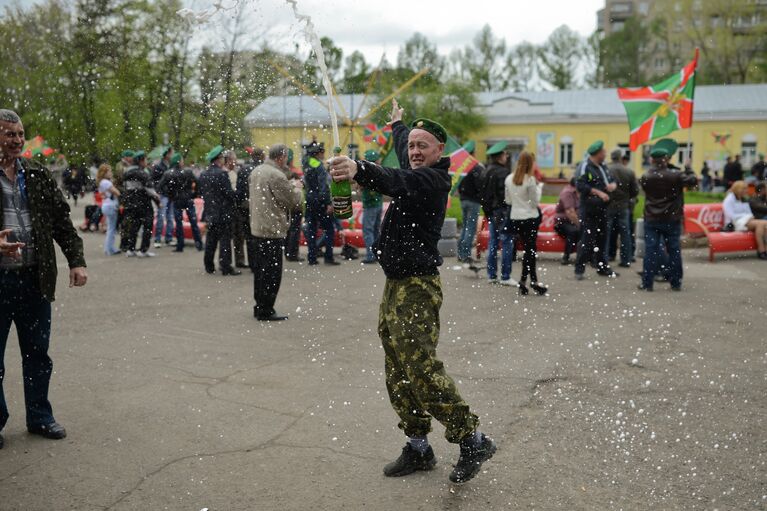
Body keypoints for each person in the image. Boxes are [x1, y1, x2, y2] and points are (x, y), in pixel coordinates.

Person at [328, 100, 495, 484]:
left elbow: (398, 179)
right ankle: (418, 446)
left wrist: (359, 169)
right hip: (395, 284)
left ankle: (474, 439)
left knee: (420, 367)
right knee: (397, 367)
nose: (415, 151)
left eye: (424, 146)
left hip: (417, 287)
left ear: (441, 151)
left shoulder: (435, 180)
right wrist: (399, 126)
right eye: (412, 146)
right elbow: (404, 151)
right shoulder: (413, 160)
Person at [0, 109, 88, 448]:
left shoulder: (35, 173)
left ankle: (39, 416)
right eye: (10, 134)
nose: (18, 140)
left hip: (35, 279)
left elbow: (61, 221)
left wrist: (76, 261)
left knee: (37, 353)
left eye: (20, 134)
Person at [249, 144, 303, 321]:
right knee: (272, 272)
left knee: (260, 271)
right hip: (272, 229)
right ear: (281, 157)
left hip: (257, 227)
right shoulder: (276, 175)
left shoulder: (257, 171)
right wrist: (297, 187)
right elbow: (293, 202)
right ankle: (267, 308)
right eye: (286, 157)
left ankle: (259, 305)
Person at [638, 139, 698, 291]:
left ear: (652, 160)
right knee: (674, 250)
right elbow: (692, 181)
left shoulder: (646, 176)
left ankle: (647, 283)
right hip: (671, 218)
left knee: (650, 251)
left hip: (652, 218)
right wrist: (689, 168)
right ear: (666, 159)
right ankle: (676, 282)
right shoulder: (676, 175)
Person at [574, 140, 619, 280]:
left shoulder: (603, 167)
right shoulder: (585, 166)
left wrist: (613, 185)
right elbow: (580, 185)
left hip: (603, 209)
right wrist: (598, 192)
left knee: (603, 239)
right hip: (589, 210)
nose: (605, 154)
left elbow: (612, 180)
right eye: (603, 152)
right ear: (598, 153)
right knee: (587, 240)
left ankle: (602, 267)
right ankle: (579, 269)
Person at [505, 151, 547, 295]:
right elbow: (534, 202)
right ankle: (531, 281)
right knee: (530, 251)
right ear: (531, 163)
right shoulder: (530, 180)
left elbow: (508, 201)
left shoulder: (509, 178)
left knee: (528, 250)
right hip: (530, 217)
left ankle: (526, 282)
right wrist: (539, 188)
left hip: (516, 217)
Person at [198, 145, 240, 275]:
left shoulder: (204, 174)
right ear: (219, 159)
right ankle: (225, 266)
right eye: (222, 158)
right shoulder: (222, 174)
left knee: (211, 240)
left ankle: (209, 265)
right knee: (225, 240)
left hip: (210, 212)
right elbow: (228, 194)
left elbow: (201, 192)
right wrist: (238, 193)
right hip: (223, 212)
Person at [482, 141, 513, 284]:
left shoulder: (485, 171)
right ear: (500, 157)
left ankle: (491, 275)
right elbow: (506, 196)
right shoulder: (505, 173)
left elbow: (483, 195)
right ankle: (505, 276)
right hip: (503, 212)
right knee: (506, 242)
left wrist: (488, 211)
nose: (506, 157)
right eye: (505, 154)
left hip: (491, 212)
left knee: (493, 242)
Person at [158, 153, 203, 253]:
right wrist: (194, 194)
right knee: (193, 223)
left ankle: (180, 245)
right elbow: (198, 182)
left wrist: (170, 194)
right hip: (188, 199)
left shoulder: (168, 173)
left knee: (178, 224)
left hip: (177, 200)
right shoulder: (188, 172)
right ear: (179, 162)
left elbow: (160, 187)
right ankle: (199, 244)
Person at [303, 142, 339, 266]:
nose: (324, 155)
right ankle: (328, 257)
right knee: (329, 229)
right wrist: (328, 203)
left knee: (312, 230)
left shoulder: (307, 163)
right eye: (322, 152)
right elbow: (324, 186)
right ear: (318, 153)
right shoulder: (319, 166)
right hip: (320, 201)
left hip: (309, 199)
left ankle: (312, 257)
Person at [122, 151, 159, 258]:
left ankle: (131, 249)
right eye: (145, 160)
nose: (146, 162)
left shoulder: (126, 173)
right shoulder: (143, 173)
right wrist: (158, 200)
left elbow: (125, 188)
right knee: (148, 226)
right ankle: (143, 250)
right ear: (141, 161)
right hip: (144, 203)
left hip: (131, 203)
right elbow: (150, 190)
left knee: (134, 226)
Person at [605, 149, 639, 268]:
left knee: (607, 232)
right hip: (623, 206)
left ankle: (607, 256)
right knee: (625, 233)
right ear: (620, 157)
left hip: (608, 205)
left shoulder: (606, 170)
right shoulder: (629, 171)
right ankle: (626, 259)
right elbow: (635, 191)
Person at [456, 140, 486, 263]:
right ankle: (466, 255)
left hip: (463, 200)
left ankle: (460, 253)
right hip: (474, 201)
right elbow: (480, 186)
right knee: (471, 228)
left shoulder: (461, 166)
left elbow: (457, 183)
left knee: (465, 227)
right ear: (473, 153)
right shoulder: (476, 167)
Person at [723, 181, 767, 259]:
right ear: (738, 189)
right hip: (735, 223)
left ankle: (763, 250)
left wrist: (750, 216)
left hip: (747, 221)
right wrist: (747, 217)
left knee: (764, 223)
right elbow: (730, 215)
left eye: (745, 189)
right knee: (761, 224)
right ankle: (761, 250)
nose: (746, 191)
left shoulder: (743, 199)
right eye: (743, 189)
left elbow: (748, 212)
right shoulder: (729, 199)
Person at [223, 150, 248, 269]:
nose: (236, 162)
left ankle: (240, 260)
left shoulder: (235, 173)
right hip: (229, 208)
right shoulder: (224, 174)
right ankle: (226, 263)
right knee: (228, 237)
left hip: (237, 208)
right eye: (234, 159)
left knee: (239, 235)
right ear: (228, 160)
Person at [360, 149, 384, 264]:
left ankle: (371, 255)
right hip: (378, 203)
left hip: (370, 205)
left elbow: (360, 187)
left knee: (368, 230)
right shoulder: (380, 171)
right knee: (375, 230)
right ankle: (377, 253)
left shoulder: (368, 172)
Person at [283, 148, 305, 262]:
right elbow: (300, 187)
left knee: (288, 230)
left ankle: (287, 252)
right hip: (295, 206)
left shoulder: (281, 172)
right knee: (294, 231)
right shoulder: (292, 173)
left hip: (286, 206)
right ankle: (293, 253)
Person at [152, 146, 175, 248]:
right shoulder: (158, 167)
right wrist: (160, 191)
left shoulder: (171, 166)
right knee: (161, 217)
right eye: (171, 153)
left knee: (170, 217)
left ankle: (168, 238)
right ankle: (157, 238)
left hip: (170, 195)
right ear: (167, 154)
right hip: (163, 195)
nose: (172, 155)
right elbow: (154, 181)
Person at [96, 163, 121, 255]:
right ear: (104, 173)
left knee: (110, 227)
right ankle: (109, 249)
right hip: (111, 205)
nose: (111, 173)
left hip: (106, 204)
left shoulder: (101, 182)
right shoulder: (106, 182)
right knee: (111, 228)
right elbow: (117, 192)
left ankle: (109, 248)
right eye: (109, 171)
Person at [554, 178, 580, 265]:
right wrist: (580, 225)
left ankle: (587, 257)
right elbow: (570, 213)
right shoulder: (568, 193)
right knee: (574, 231)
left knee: (587, 231)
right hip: (561, 222)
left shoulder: (576, 192)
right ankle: (566, 257)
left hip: (571, 221)